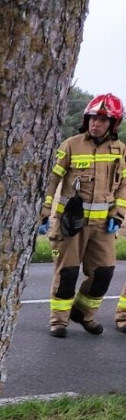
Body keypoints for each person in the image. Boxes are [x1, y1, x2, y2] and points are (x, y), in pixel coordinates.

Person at [38, 93, 126, 337]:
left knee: (104, 273)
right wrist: (44, 213)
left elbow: (123, 186)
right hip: (71, 224)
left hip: (102, 225)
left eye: (102, 120)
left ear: (113, 124)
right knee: (67, 273)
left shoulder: (120, 150)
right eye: (92, 118)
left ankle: (83, 313)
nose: (95, 124)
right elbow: (51, 180)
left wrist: (117, 214)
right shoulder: (71, 144)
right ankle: (59, 321)